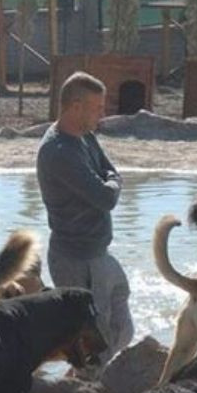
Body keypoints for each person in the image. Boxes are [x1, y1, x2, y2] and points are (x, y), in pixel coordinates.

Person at [37, 71, 134, 367]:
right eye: (97, 107)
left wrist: (112, 182)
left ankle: (84, 375)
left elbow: (112, 174)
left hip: (98, 253)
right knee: (96, 342)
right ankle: (86, 387)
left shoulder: (86, 137)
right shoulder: (59, 151)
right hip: (76, 259)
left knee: (123, 327)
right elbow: (106, 197)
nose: (103, 114)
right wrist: (112, 183)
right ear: (75, 106)